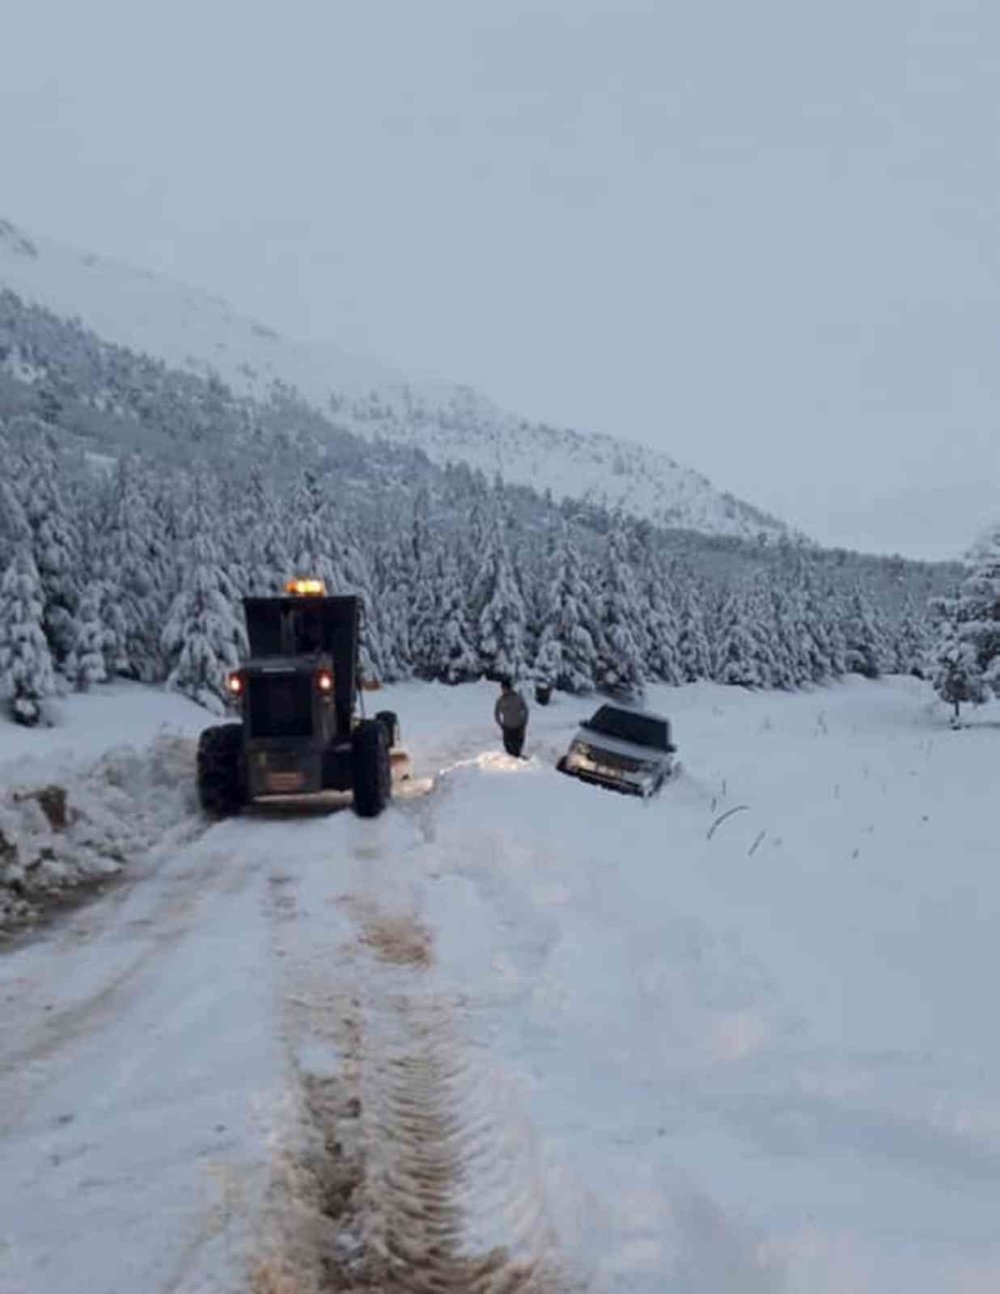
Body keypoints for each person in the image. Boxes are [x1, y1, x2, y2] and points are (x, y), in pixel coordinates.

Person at [494, 677, 529, 757]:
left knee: (517, 749)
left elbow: (525, 710)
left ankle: (521, 764)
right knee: (508, 749)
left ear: (509, 688)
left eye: (504, 688)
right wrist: (500, 724)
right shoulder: (500, 700)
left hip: (518, 727)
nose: (503, 690)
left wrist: (524, 722)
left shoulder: (518, 698)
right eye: (502, 688)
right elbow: (496, 713)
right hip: (507, 728)